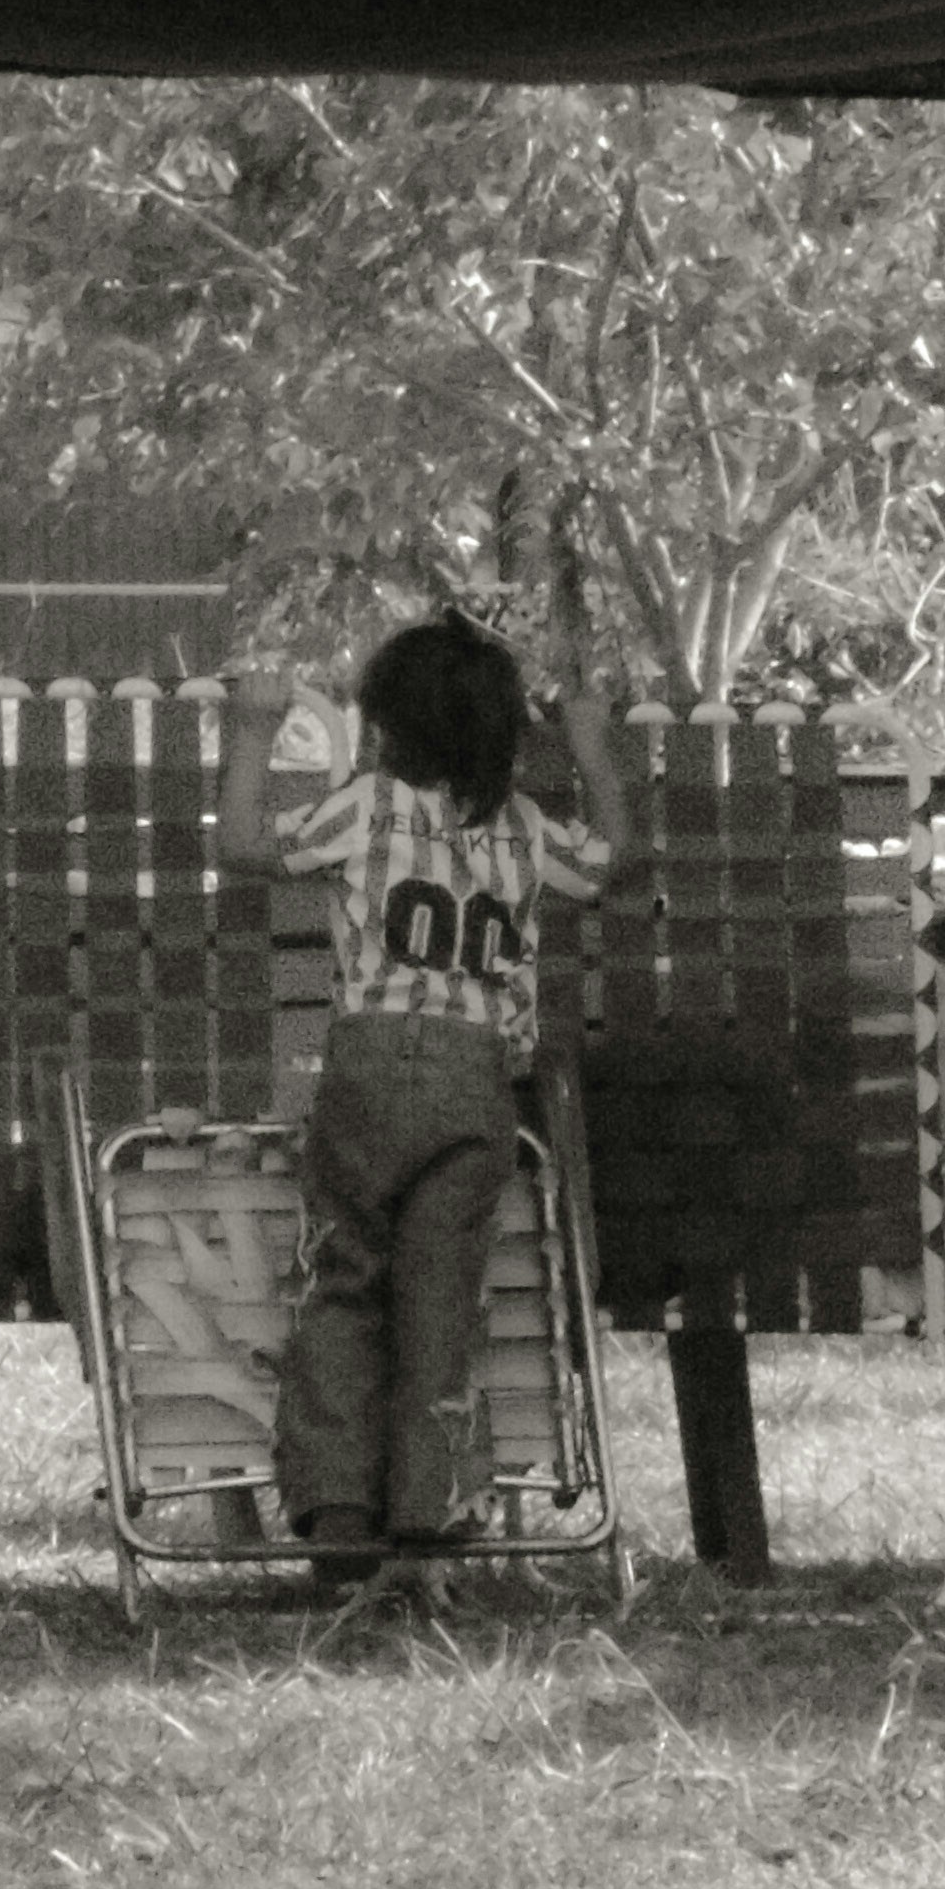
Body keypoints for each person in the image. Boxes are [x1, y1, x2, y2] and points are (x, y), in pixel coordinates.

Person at [220, 612, 637, 1571]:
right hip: (477, 1078)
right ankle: (429, 1508)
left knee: (345, 1282)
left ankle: (334, 1509)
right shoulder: (526, 830)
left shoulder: (362, 807)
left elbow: (243, 846)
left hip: (367, 1066)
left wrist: (251, 731)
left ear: (384, 728)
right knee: (443, 1300)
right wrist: (589, 742)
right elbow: (618, 860)